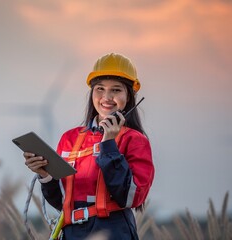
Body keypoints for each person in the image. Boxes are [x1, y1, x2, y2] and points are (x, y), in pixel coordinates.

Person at [24, 53, 155, 240]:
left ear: (129, 96)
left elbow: (131, 198)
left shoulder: (135, 140)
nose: (107, 97)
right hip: (72, 233)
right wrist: (45, 175)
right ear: (92, 93)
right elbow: (62, 201)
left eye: (116, 90)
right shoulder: (70, 138)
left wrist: (109, 144)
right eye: (100, 89)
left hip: (113, 232)